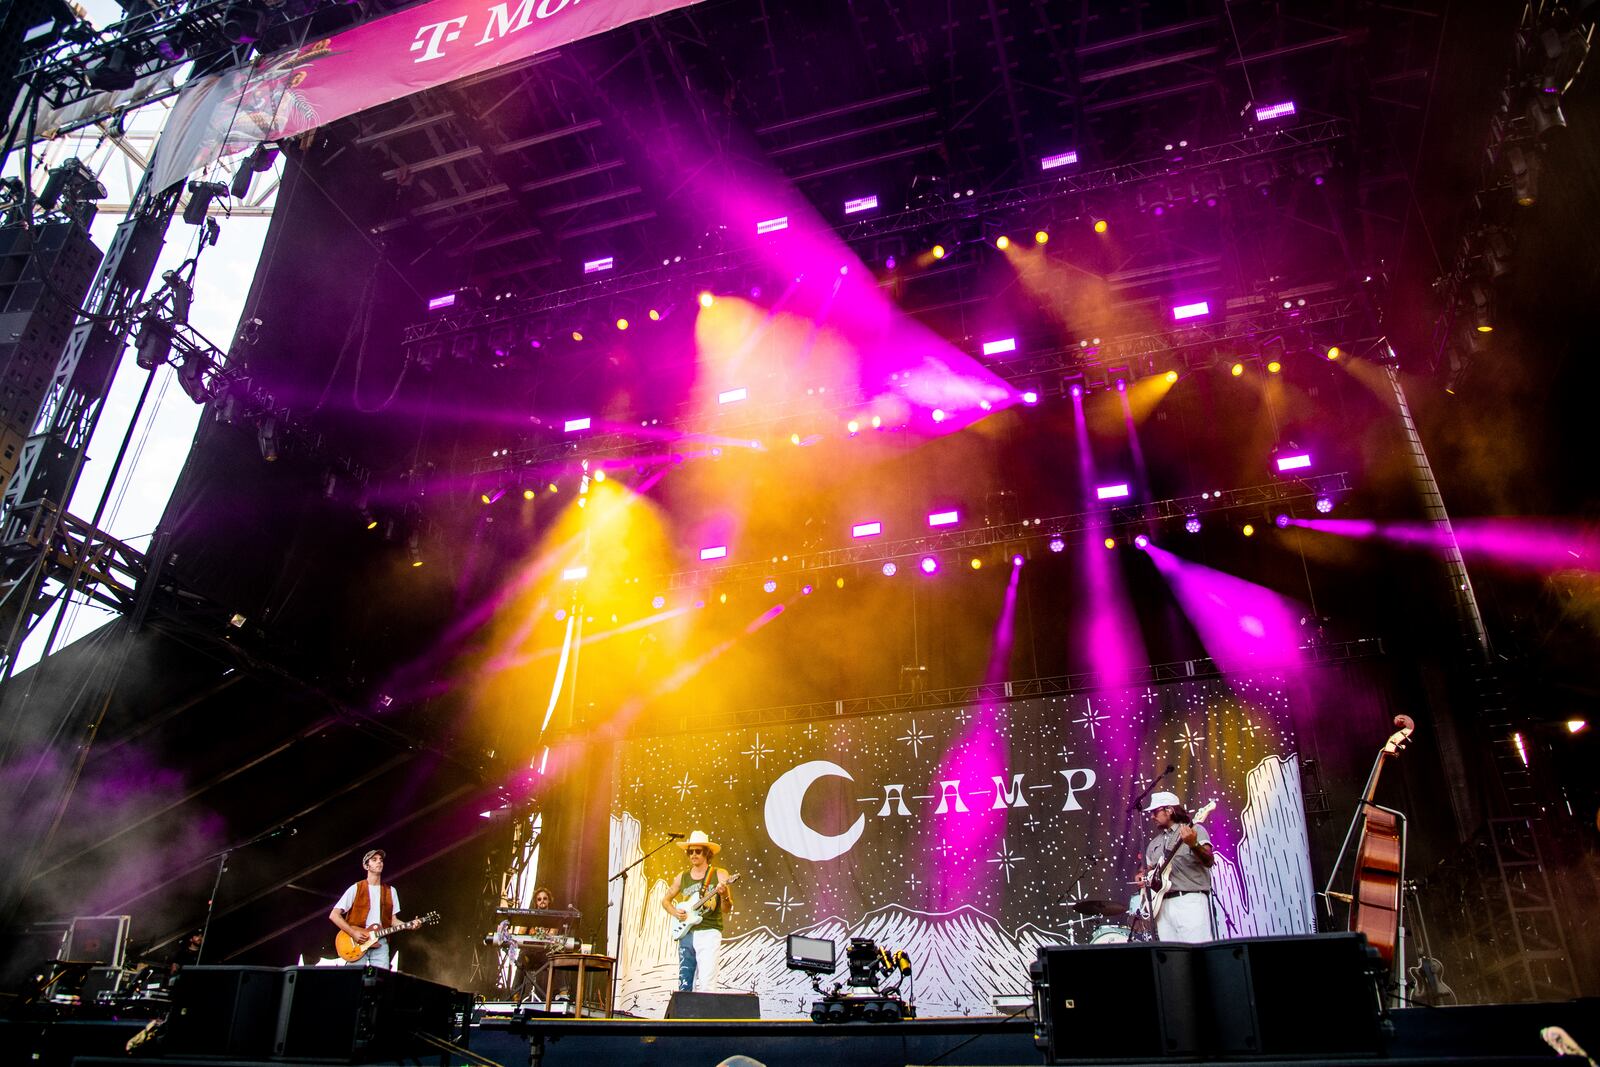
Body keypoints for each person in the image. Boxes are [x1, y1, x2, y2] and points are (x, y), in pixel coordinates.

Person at [1137, 791, 1216, 943]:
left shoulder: (1195, 830)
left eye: (1155, 812)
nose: (1152, 816)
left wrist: (1193, 844)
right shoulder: (1154, 844)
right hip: (1161, 905)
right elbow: (1146, 870)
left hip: (1189, 900)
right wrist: (1142, 876)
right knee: (1173, 955)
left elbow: (1209, 861)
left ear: (1169, 810)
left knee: (1198, 951)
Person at [661, 830, 733, 992]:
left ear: (706, 853)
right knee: (685, 984)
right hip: (686, 934)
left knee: (707, 983)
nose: (693, 854)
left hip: (709, 932)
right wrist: (675, 913)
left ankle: (705, 1016)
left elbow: (726, 908)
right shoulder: (682, 877)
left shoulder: (720, 874)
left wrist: (725, 894)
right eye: (690, 851)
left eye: (698, 851)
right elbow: (665, 901)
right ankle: (684, 1017)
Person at [329, 849, 417, 969]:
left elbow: (392, 920)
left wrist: (408, 925)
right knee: (355, 979)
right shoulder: (356, 888)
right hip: (357, 941)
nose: (379, 862)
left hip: (380, 941)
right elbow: (334, 915)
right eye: (374, 860)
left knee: (381, 979)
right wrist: (353, 933)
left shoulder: (391, 891)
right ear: (366, 866)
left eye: (381, 860)